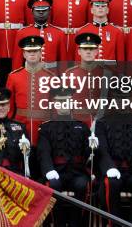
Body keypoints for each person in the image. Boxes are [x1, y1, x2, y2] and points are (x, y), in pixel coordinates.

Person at [36, 87, 92, 226]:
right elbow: (44, 152)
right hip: (56, 170)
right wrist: (48, 170)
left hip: (77, 171)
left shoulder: (82, 126)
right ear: (55, 104)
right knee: (53, 185)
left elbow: (87, 154)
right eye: (59, 102)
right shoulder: (46, 128)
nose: (63, 105)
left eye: (66, 102)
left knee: (82, 185)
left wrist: (92, 147)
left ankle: (76, 223)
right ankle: (58, 223)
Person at [96, 89, 132, 226]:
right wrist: (109, 167)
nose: (122, 102)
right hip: (112, 169)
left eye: (125, 99)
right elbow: (102, 149)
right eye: (118, 99)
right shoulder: (102, 122)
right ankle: (112, 224)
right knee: (111, 183)